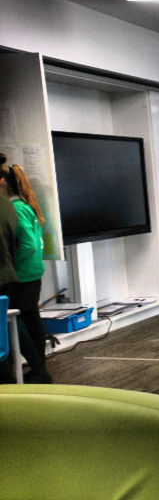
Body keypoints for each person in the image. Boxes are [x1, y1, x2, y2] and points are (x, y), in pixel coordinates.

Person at [0, 157, 50, 383]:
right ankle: (38, 366)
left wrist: (12, 261)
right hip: (32, 271)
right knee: (31, 318)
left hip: (22, 273)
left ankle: (38, 369)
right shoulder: (24, 205)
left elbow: (27, 244)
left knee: (18, 321)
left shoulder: (15, 208)